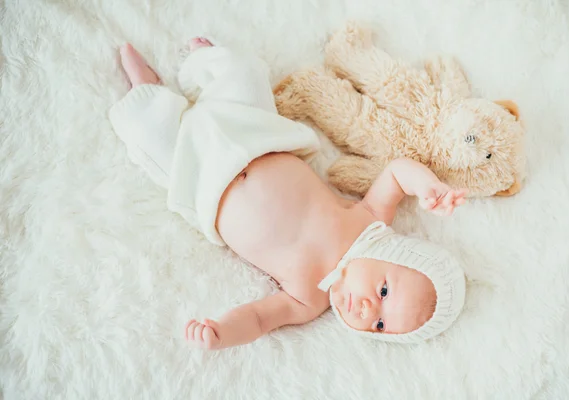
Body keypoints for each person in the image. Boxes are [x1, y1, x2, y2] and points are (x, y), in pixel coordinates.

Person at [108, 37, 467, 350]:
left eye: (380, 325)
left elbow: (261, 319)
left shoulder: (309, 299)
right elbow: (396, 174)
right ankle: (205, 61)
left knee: (148, 131)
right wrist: (428, 187)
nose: (367, 309)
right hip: (255, 133)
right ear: (396, 254)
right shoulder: (368, 223)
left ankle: (147, 88)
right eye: (384, 292)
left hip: (201, 176)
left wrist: (222, 332)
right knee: (244, 72)